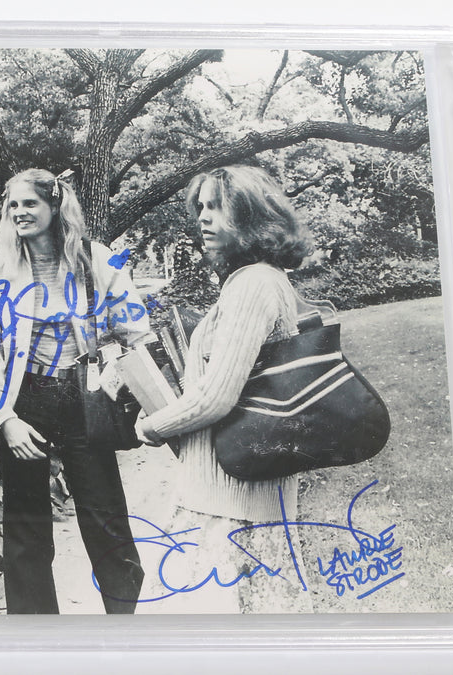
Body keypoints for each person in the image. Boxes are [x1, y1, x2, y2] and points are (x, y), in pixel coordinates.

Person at [134, 165, 316, 614]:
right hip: (237, 492)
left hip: (229, 499)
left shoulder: (253, 285)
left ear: (254, 217)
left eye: (218, 207)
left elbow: (218, 396)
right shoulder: (254, 280)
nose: (203, 218)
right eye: (201, 207)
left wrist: (154, 425)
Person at [0, 168, 151, 614]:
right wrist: (5, 418)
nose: (19, 212)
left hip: (84, 399)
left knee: (106, 520)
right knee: (26, 529)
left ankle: (123, 630)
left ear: (55, 206)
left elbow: (135, 329)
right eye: (12, 205)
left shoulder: (95, 259)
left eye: (29, 203)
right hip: (25, 400)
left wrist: (109, 353)